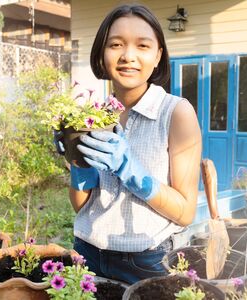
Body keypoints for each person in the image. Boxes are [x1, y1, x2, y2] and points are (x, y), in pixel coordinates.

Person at [55, 4, 202, 284]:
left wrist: (132, 171)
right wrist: (78, 166)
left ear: (158, 55)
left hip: (147, 261)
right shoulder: (91, 115)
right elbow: (81, 206)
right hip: (87, 252)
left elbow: (185, 213)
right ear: (101, 52)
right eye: (116, 44)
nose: (128, 56)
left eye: (143, 45)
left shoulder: (176, 113)